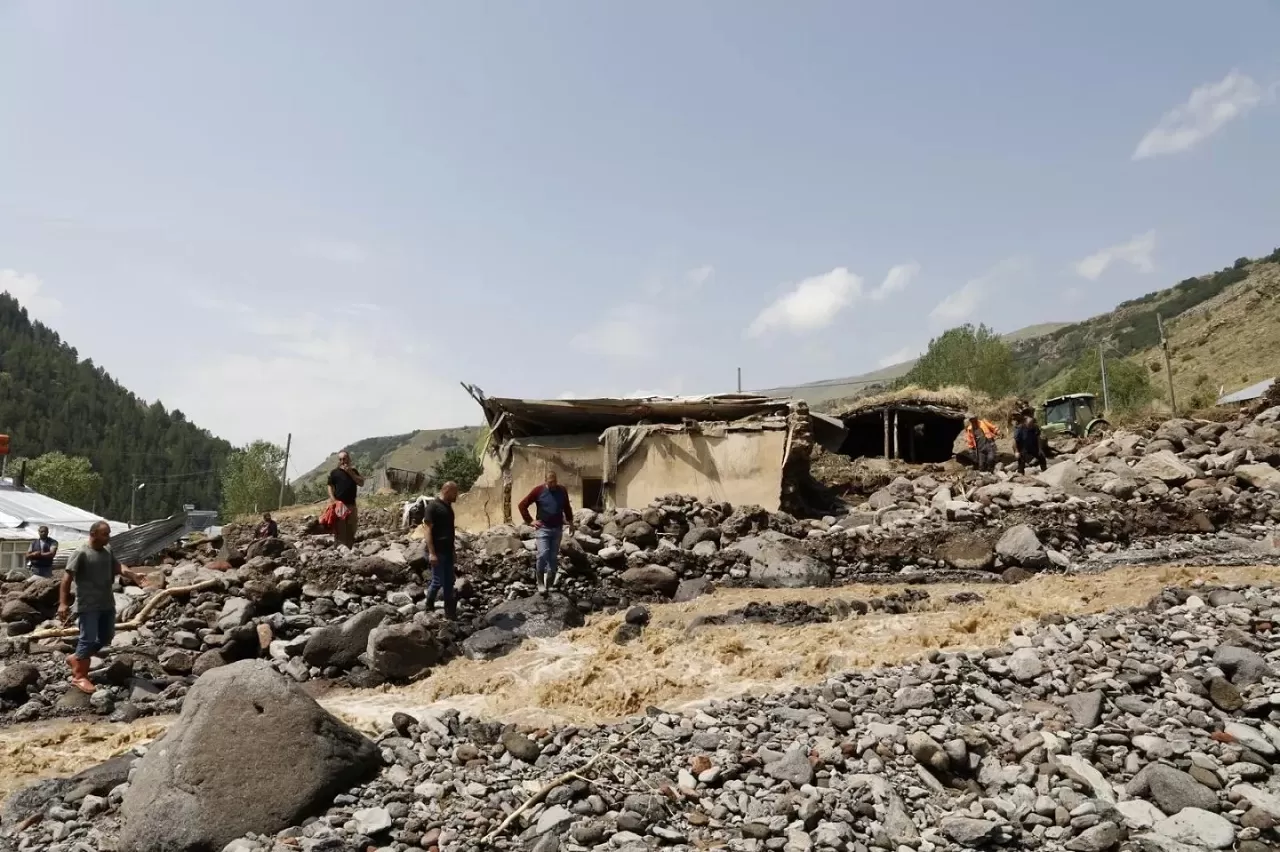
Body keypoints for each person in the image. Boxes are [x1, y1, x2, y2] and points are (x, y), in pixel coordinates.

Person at [58, 521, 144, 694]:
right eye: (105, 534)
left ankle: (77, 657)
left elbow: (117, 566)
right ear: (93, 534)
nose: (109, 537)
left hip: (106, 602)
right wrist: (63, 603)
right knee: (87, 638)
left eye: (109, 533)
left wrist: (132, 574)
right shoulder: (81, 553)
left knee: (106, 636)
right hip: (88, 604)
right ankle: (79, 676)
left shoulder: (107, 550)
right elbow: (66, 579)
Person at [518, 471, 575, 593]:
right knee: (543, 555)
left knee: (553, 558)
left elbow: (567, 508)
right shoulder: (538, 491)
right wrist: (530, 521)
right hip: (543, 528)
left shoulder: (562, 490)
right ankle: (540, 583)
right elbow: (522, 505)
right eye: (550, 482)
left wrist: (571, 523)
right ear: (545, 481)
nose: (553, 484)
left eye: (555, 481)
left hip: (557, 528)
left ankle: (549, 584)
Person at [423, 481, 459, 619]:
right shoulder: (433, 507)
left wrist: (453, 551)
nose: (457, 496)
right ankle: (429, 606)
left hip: (447, 551)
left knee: (449, 581)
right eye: (455, 493)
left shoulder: (448, 507)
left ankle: (450, 613)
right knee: (437, 581)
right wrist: (432, 553)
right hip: (437, 551)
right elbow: (427, 531)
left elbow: (450, 531)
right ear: (447, 490)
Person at [327, 451, 364, 548]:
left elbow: (361, 483)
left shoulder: (354, 471)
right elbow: (330, 487)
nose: (342, 461)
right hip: (340, 506)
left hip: (352, 505)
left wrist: (350, 473)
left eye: (344, 459)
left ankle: (350, 550)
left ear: (349, 459)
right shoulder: (334, 473)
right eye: (340, 459)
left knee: (352, 529)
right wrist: (333, 500)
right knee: (340, 530)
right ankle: (340, 550)